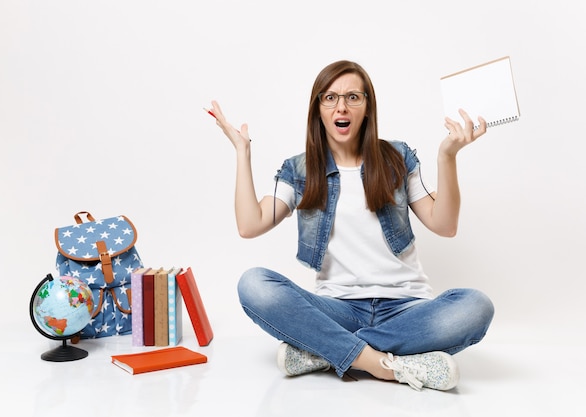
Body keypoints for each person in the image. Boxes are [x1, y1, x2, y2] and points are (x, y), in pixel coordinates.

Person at [209, 60, 494, 391]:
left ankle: (325, 351)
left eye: (352, 97)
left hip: (405, 309)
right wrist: (242, 152)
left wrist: (448, 157)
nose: (340, 106)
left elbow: (444, 225)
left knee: (475, 306)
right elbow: (249, 224)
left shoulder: (397, 158)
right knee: (254, 284)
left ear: (367, 107)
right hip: (337, 309)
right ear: (318, 109)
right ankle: (381, 363)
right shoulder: (301, 170)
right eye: (329, 98)